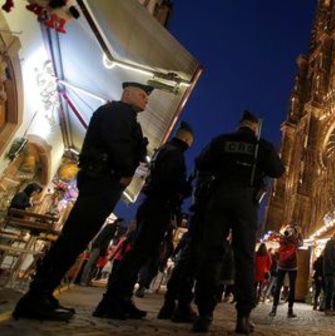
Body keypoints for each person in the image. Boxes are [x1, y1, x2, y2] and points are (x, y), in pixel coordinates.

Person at [13, 82, 151, 321]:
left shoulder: (121, 114)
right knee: (72, 240)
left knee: (74, 240)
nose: (146, 100)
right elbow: (119, 148)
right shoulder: (118, 113)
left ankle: (43, 293)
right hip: (102, 181)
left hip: (101, 182)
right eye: (142, 95)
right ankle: (36, 298)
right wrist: (127, 170)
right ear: (127, 94)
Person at [191, 110, 285, 334]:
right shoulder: (262, 146)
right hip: (246, 202)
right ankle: (243, 317)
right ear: (254, 127)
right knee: (244, 257)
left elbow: (201, 162)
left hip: (219, 199)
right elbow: (278, 170)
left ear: (239, 125)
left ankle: (204, 314)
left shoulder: (222, 141)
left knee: (211, 253)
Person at [95, 121, 194, 319]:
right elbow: (171, 182)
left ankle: (121, 298)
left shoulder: (164, 150)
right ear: (186, 139)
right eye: (191, 141)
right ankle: (113, 300)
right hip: (159, 207)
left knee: (139, 254)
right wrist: (185, 189)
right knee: (137, 255)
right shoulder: (175, 153)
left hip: (152, 206)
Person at [269, 225, 303, 318]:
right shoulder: (290, 239)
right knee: (287, 287)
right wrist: (299, 234)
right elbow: (301, 244)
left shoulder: (288, 239)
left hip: (285, 265)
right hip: (288, 265)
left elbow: (300, 244)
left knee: (285, 287)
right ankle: (284, 310)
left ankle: (277, 309)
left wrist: (292, 235)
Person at [80, 218, 123, 286]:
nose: (123, 225)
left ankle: (87, 280)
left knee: (93, 264)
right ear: (119, 222)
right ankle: (83, 280)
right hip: (99, 247)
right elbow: (104, 237)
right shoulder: (112, 227)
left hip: (99, 246)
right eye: (122, 223)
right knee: (91, 263)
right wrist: (101, 247)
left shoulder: (111, 227)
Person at [322, 232, 335, 316]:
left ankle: (329, 308)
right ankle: (327, 308)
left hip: (333, 271)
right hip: (330, 271)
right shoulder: (330, 244)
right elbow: (329, 258)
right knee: (330, 290)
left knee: (332, 290)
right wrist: (334, 268)